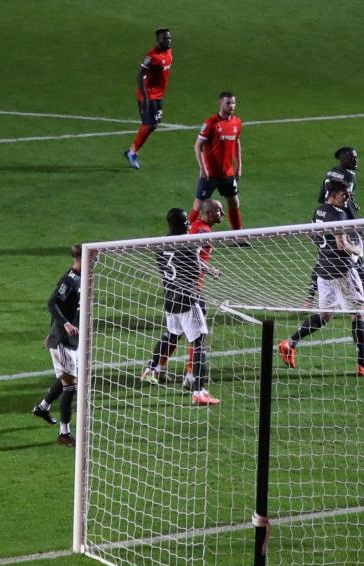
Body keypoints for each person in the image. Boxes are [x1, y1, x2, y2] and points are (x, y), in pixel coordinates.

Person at [278, 180, 364, 376]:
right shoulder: (339, 214)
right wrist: (357, 250)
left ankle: (290, 343)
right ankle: (363, 365)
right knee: (359, 313)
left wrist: (324, 251)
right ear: (333, 195)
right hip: (343, 272)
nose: (347, 199)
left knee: (325, 315)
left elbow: (311, 235)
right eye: (344, 195)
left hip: (324, 272)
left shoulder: (319, 211)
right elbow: (342, 245)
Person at [141, 208, 220, 405]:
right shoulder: (187, 245)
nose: (188, 224)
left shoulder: (160, 244)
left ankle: (153, 369)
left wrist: (208, 269)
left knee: (171, 334)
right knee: (199, 341)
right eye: (185, 221)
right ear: (178, 224)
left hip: (169, 298)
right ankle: (199, 391)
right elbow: (193, 273)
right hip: (187, 299)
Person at [316, 147, 364, 317]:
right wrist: (358, 227)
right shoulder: (349, 176)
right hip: (344, 221)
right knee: (359, 264)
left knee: (324, 258)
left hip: (324, 214)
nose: (356, 161)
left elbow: (322, 198)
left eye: (356, 158)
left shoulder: (331, 172)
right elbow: (347, 201)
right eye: (352, 158)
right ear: (343, 159)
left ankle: (309, 300)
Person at [32, 244, 82, 447]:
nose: (96, 262)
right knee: (71, 386)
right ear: (82, 258)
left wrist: (53, 329)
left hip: (70, 340)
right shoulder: (69, 280)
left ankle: (43, 407)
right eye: (93, 258)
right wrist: (64, 325)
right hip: (62, 341)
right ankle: (64, 433)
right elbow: (52, 303)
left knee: (65, 379)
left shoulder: (82, 278)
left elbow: (62, 307)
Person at [190, 91, 244, 231]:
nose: (231, 106)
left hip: (227, 173)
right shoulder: (210, 123)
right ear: (220, 104)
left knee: (234, 202)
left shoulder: (237, 122)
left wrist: (239, 164)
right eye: (228, 103)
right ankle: (183, 236)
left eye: (233, 103)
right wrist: (202, 168)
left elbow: (236, 142)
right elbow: (198, 145)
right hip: (210, 174)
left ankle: (238, 235)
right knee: (198, 206)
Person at [124, 28, 173, 170]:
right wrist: (144, 99)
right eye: (165, 38)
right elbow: (140, 76)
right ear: (158, 40)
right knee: (150, 124)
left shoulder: (169, 52)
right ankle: (132, 153)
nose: (169, 40)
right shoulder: (152, 56)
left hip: (159, 95)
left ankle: (132, 151)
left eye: (170, 38)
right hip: (148, 95)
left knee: (154, 124)